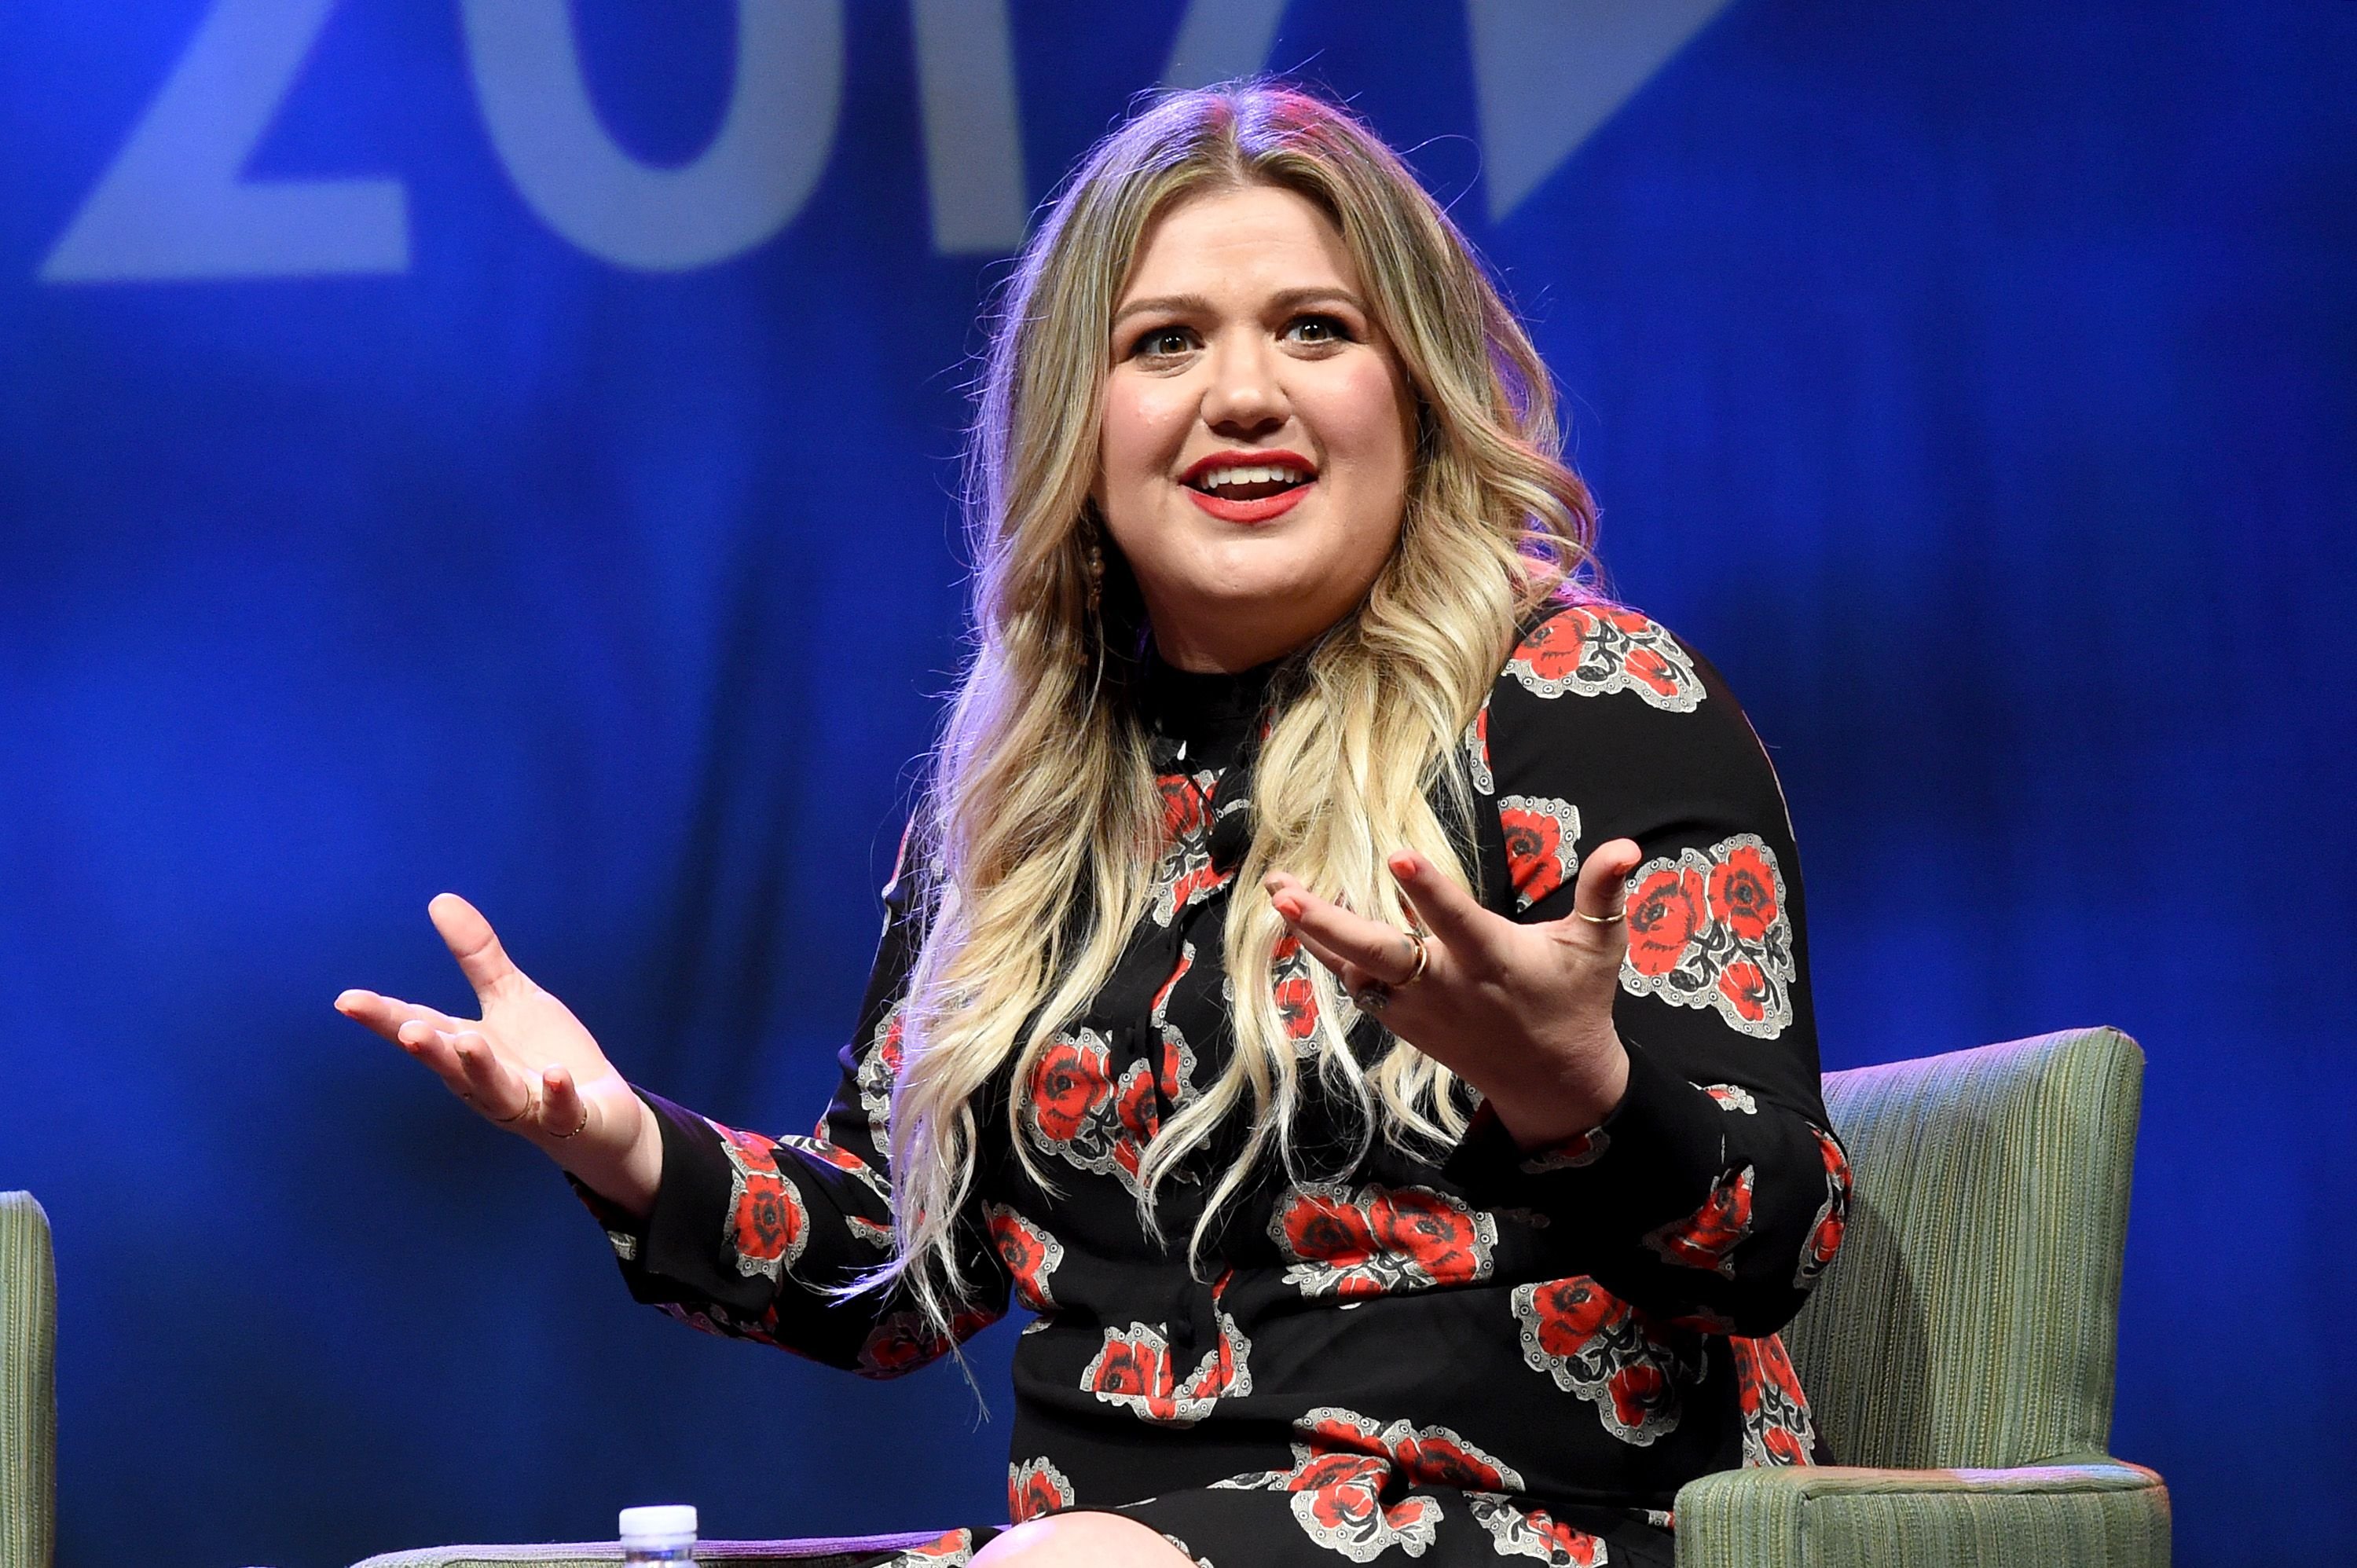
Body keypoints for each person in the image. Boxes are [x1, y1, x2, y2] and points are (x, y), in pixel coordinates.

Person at [337, 85, 1850, 1568]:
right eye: (1165, 342)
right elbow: (894, 1273)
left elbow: (1777, 1245)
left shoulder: (1585, 699)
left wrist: (1576, 1085)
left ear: (1417, 393)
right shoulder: (1033, 798)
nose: (1241, 393)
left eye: (1315, 330)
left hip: (1538, 1519)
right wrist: (621, 1143)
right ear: (1084, 423)